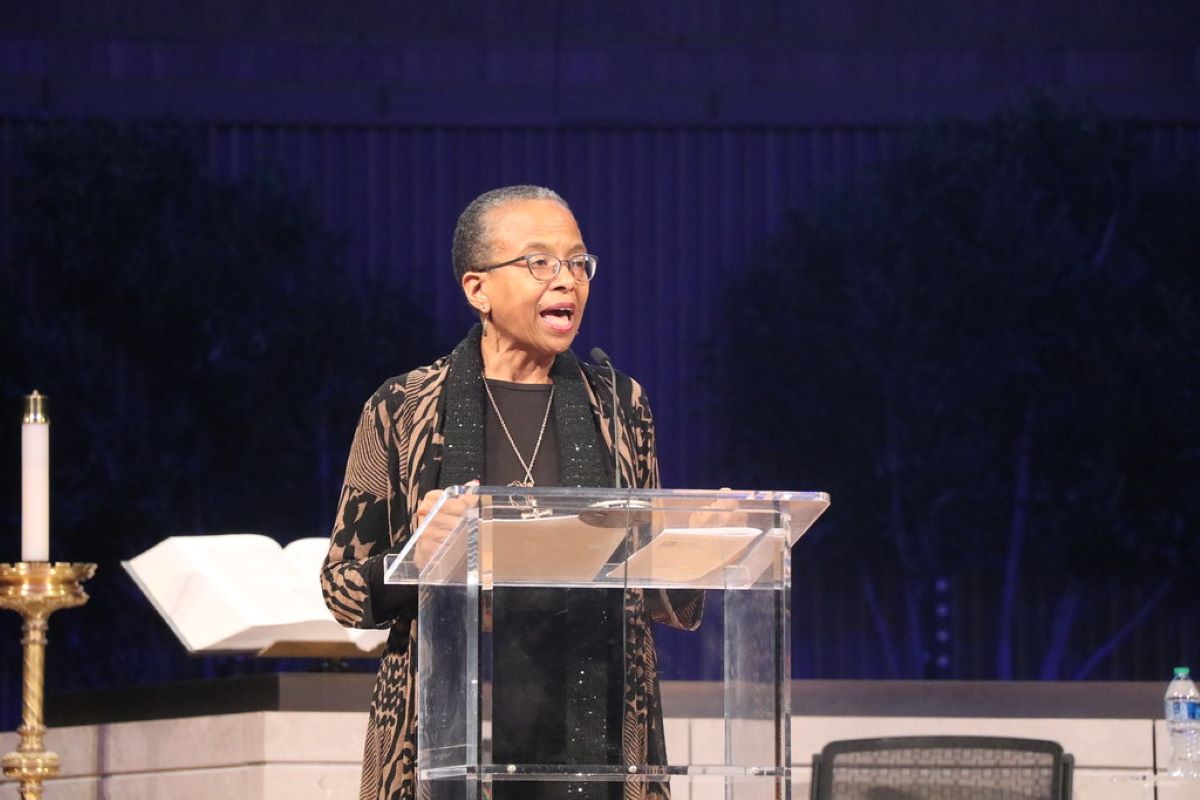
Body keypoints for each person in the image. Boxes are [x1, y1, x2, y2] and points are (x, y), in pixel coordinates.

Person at [321, 185, 703, 800]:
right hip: (446, 734)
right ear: (479, 289)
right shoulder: (404, 407)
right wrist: (420, 554)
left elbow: (658, 589)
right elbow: (341, 589)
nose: (567, 281)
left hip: (598, 735)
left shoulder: (618, 404)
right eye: (539, 262)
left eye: (578, 263)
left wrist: (704, 532)